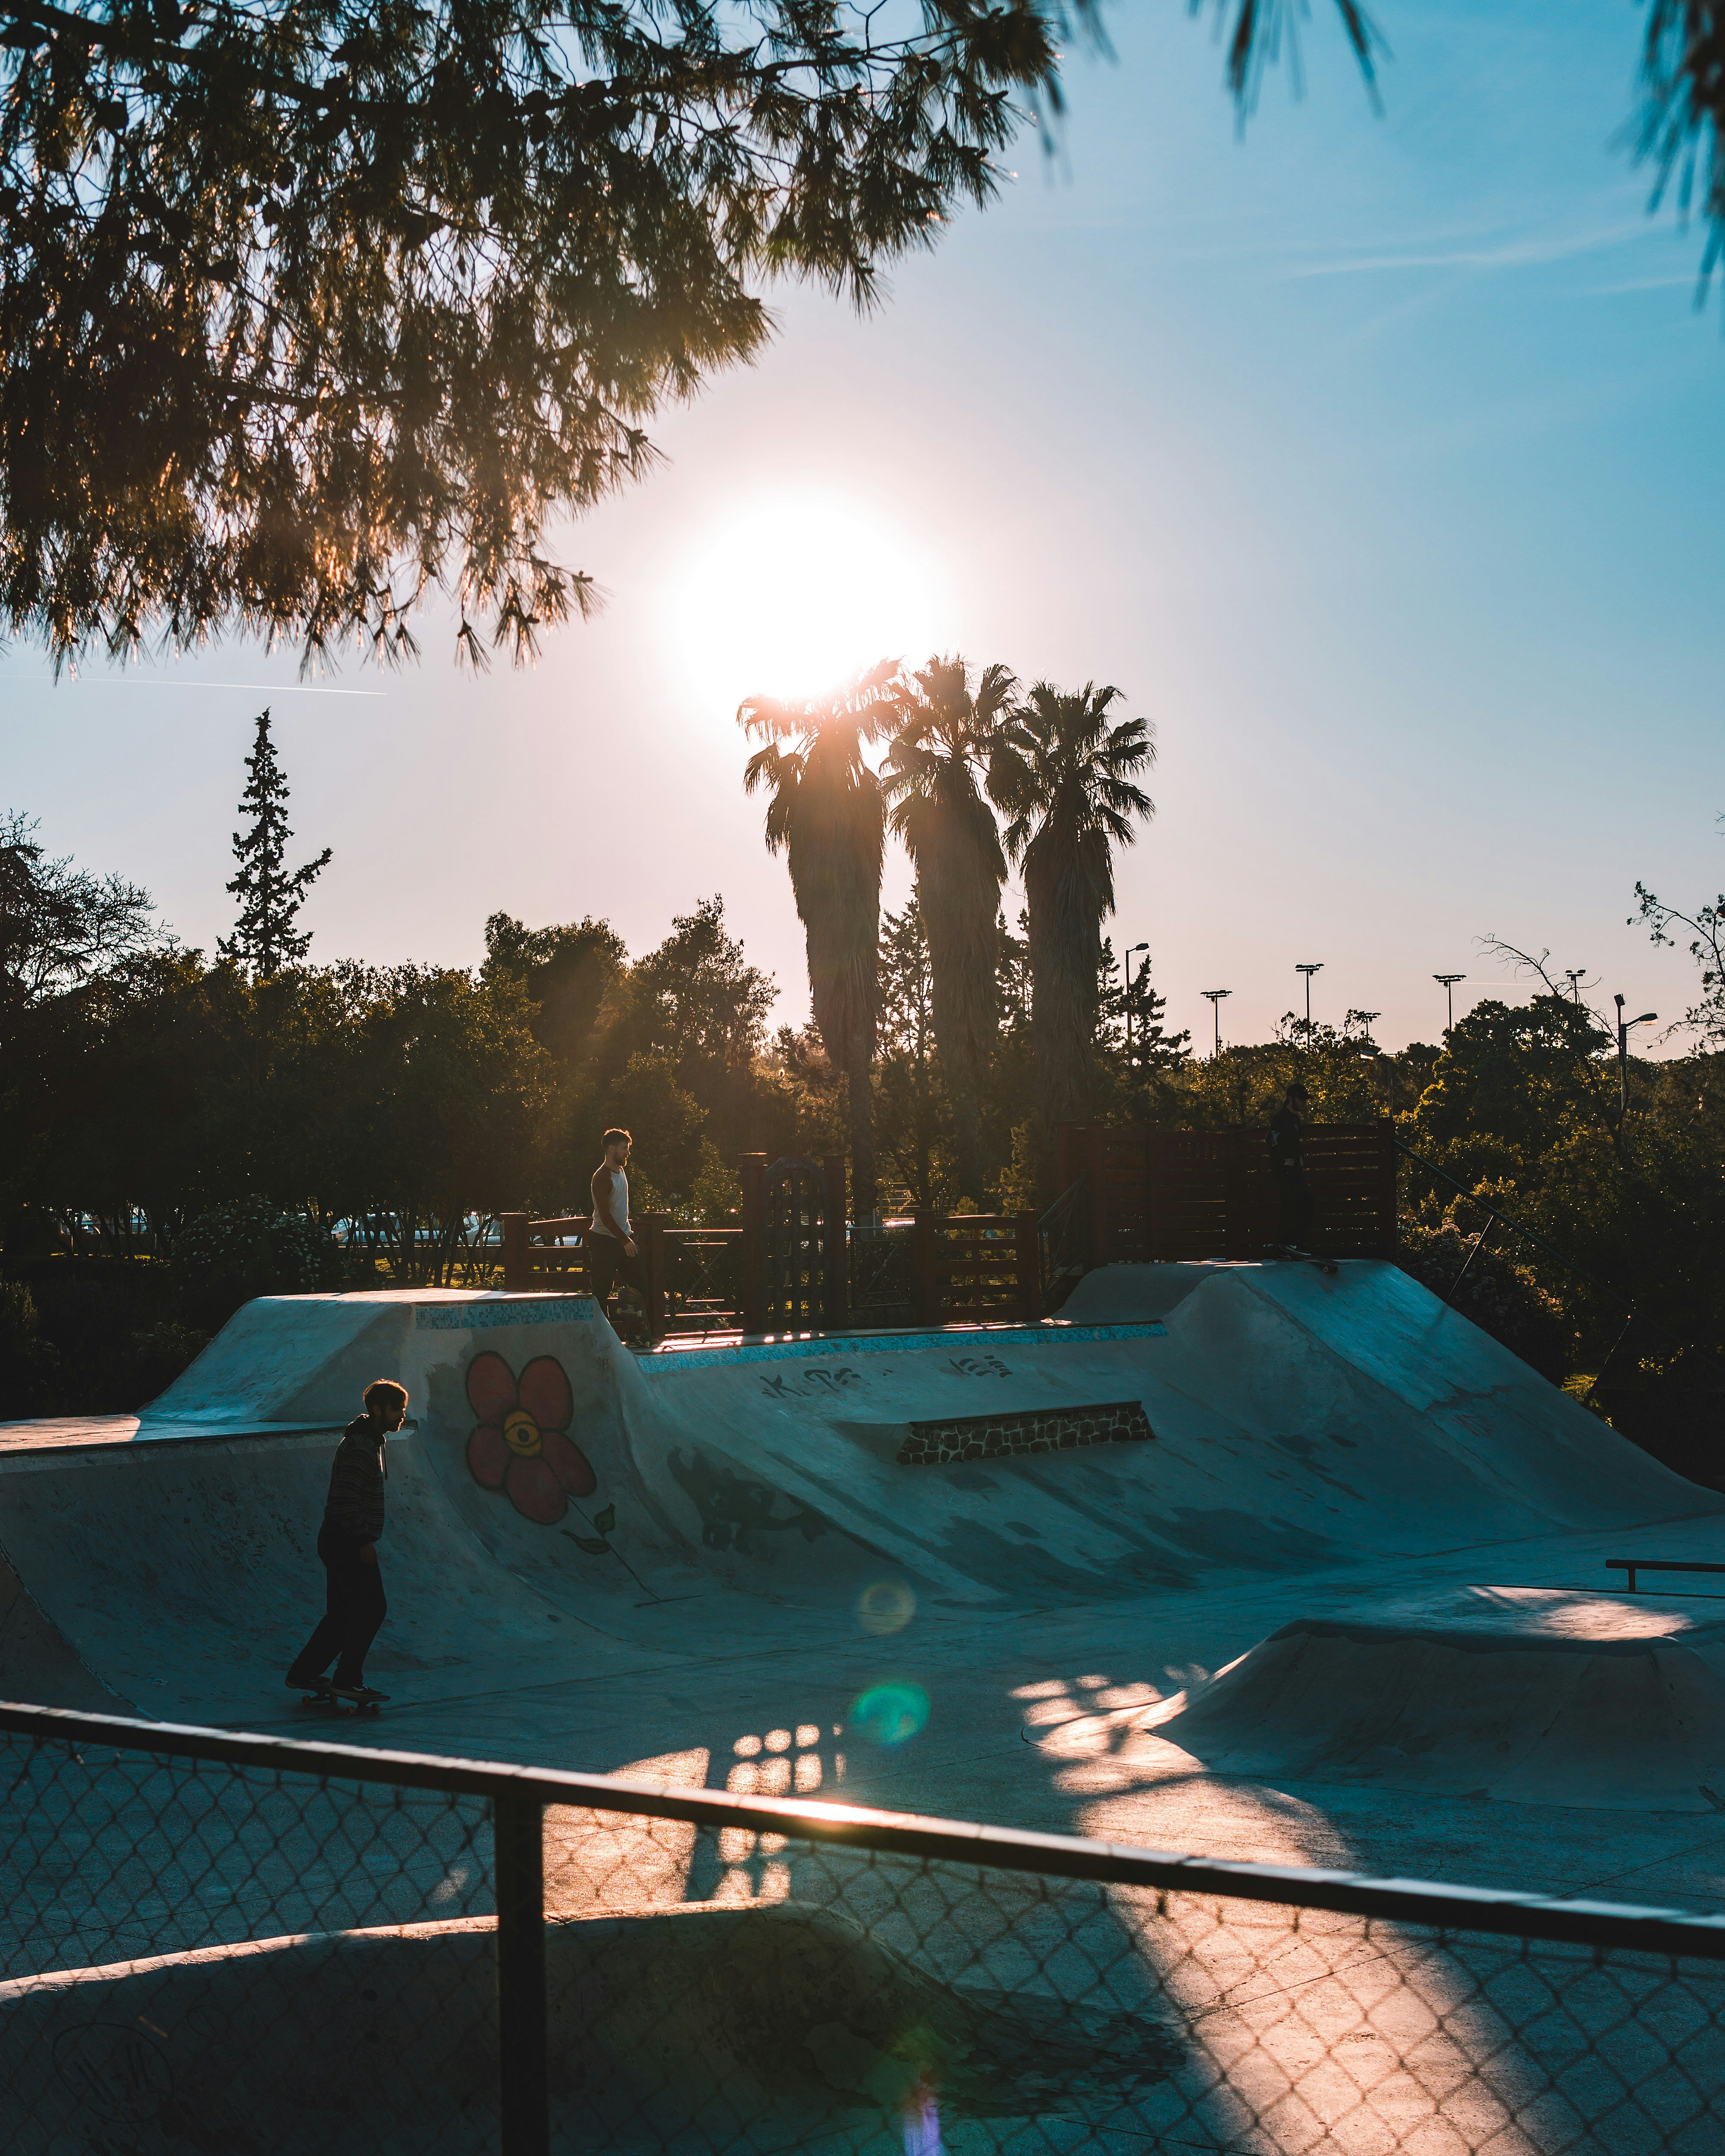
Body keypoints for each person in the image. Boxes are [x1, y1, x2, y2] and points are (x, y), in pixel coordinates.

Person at [285, 1379, 408, 1701]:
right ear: (379, 1409)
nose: (401, 1416)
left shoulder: (369, 1441)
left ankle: (305, 1673)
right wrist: (362, 1540)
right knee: (371, 1608)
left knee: (342, 1613)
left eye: (404, 1410)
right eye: (398, 1409)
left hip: (339, 1539)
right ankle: (348, 1680)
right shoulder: (359, 1447)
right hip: (347, 1541)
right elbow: (344, 1498)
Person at [588, 1125, 646, 1338]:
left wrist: (626, 1237)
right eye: (624, 1148)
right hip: (604, 1240)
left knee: (640, 1285)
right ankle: (604, 1338)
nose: (628, 1153)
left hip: (623, 1239)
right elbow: (605, 1216)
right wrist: (625, 1240)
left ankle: (639, 1335)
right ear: (612, 1150)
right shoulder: (602, 1177)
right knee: (602, 1292)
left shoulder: (621, 1171)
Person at [1268, 1079, 1315, 1252]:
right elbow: (1272, 1139)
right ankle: (1287, 1243)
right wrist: (1282, 1162)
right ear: (1290, 1098)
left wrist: (1301, 1158)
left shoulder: (1296, 1119)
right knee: (1292, 1205)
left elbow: (1296, 1142)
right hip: (1286, 1171)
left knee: (1303, 1203)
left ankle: (1293, 1243)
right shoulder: (1281, 1118)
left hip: (1296, 1170)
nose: (1303, 1102)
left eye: (1305, 1099)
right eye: (1300, 1099)